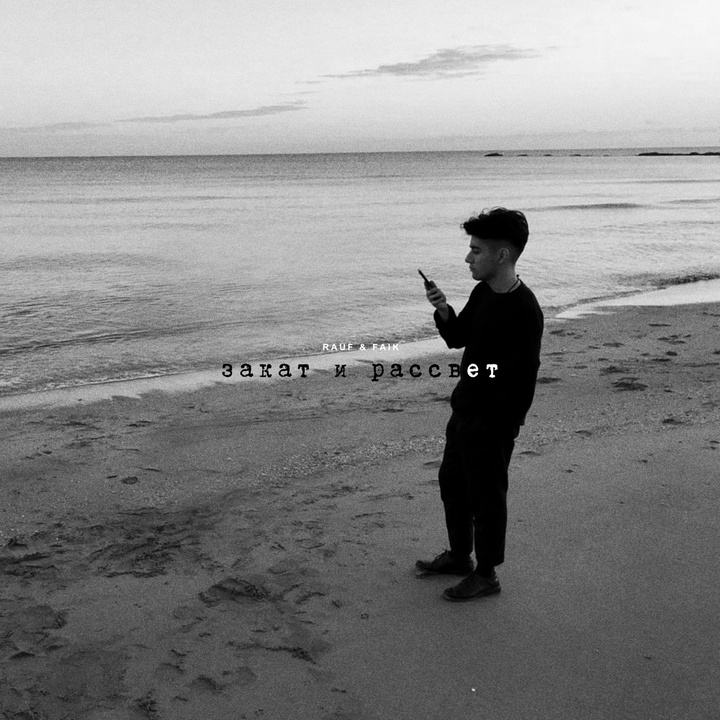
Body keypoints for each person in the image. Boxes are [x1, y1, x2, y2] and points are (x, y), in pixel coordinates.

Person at [417, 207, 544, 601]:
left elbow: (524, 379)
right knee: (452, 483)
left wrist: (498, 425)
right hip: (465, 410)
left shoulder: (525, 309)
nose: (467, 258)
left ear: (502, 255)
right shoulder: (483, 292)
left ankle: (486, 574)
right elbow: (458, 336)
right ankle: (460, 556)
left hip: (492, 423)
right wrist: (442, 309)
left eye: (476, 251)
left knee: (487, 497)